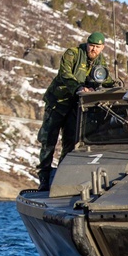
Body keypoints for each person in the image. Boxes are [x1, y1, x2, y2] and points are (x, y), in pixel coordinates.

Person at [35, 32, 108, 192]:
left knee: (70, 143)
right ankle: (44, 178)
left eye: (97, 47)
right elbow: (65, 74)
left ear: (102, 48)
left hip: (75, 107)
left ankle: (61, 179)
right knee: (48, 140)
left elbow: (103, 77)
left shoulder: (101, 61)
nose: (93, 49)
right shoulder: (73, 54)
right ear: (87, 44)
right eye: (91, 46)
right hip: (58, 102)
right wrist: (78, 87)